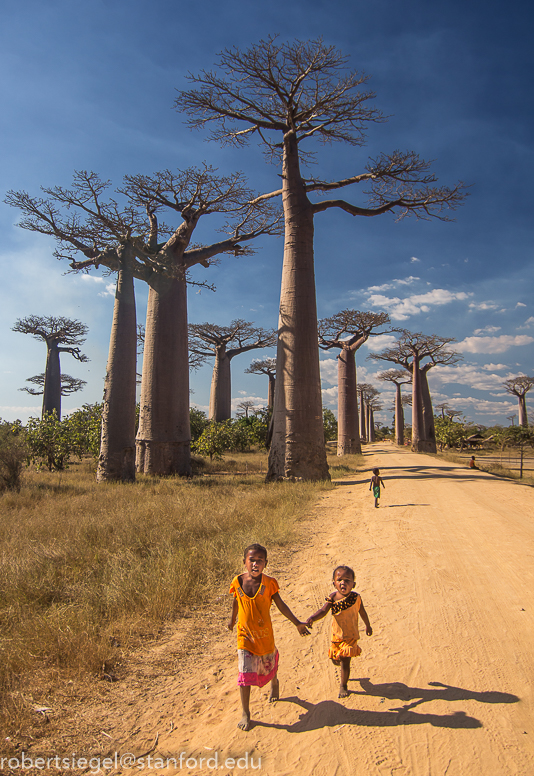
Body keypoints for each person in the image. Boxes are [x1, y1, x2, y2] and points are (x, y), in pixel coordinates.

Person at [228, 543, 309, 731]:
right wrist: (232, 621)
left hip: (265, 636)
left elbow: (281, 605)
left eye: (260, 561)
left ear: (266, 563)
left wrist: (297, 623)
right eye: (252, 560)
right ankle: (246, 713)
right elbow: (235, 602)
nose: (255, 564)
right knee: (244, 674)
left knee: (268, 663)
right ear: (244, 562)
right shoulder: (237, 582)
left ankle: (274, 682)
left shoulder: (269, 583)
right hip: (245, 637)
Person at [306, 565, 372, 698]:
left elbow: (362, 612)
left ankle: (343, 685)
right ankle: (342, 670)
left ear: (353, 584)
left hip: (350, 636)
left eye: (347, 580)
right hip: (337, 635)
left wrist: (368, 625)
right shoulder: (333, 598)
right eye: (340, 580)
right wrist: (313, 618)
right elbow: (323, 611)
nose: (343, 583)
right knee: (336, 659)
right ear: (334, 583)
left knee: (345, 660)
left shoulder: (356, 598)